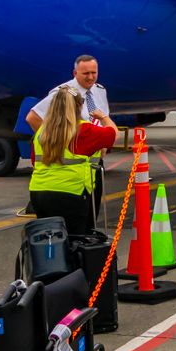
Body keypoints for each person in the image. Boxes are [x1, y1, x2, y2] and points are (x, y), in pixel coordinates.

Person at [24, 55, 113, 219]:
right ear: (75, 73)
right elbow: (33, 117)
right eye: (86, 73)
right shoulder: (63, 94)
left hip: (92, 168)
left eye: (94, 72)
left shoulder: (99, 91)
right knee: (75, 222)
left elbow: (101, 120)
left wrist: (102, 144)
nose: (91, 77)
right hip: (73, 171)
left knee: (91, 217)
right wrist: (61, 142)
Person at [25, 91, 97, 233]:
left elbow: (34, 161)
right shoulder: (82, 129)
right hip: (71, 192)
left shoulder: (41, 132)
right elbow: (112, 134)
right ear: (77, 107)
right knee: (74, 239)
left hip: (39, 192)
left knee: (48, 238)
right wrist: (104, 117)